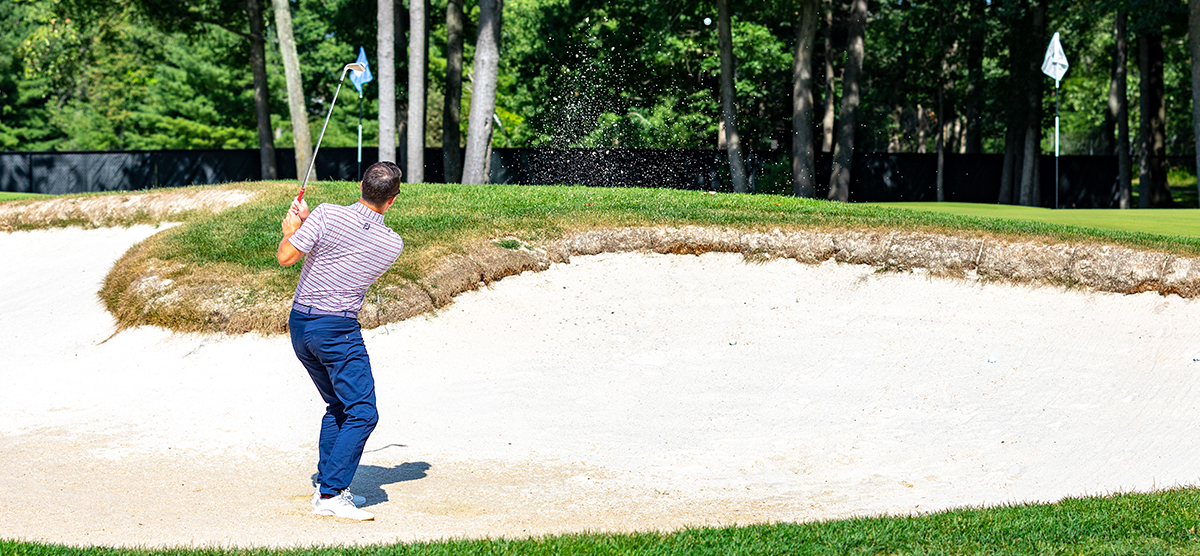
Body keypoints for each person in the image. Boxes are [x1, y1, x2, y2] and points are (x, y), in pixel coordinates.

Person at [277, 161, 406, 521]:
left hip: (301, 326)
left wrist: (293, 229)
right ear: (391, 201)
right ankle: (332, 494)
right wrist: (302, 228)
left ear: (360, 186)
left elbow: (286, 257)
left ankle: (326, 484)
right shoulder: (392, 243)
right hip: (337, 331)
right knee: (363, 412)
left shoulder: (325, 214)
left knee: (338, 406)